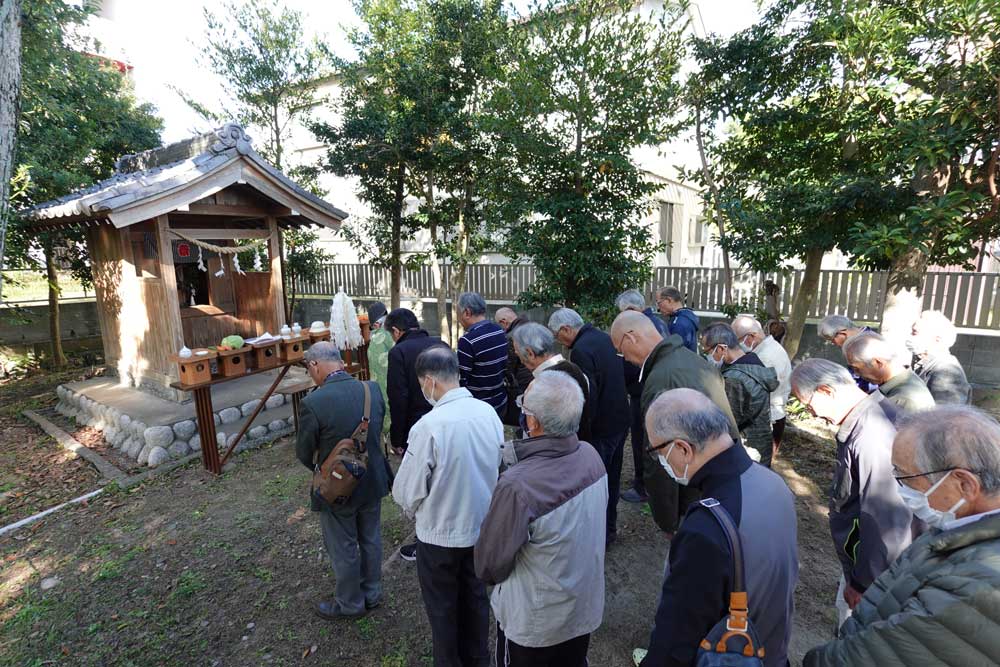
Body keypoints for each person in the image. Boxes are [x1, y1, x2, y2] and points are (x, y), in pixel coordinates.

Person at [804, 405, 1000, 666]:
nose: (901, 488)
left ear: (964, 484)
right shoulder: (955, 528)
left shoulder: (977, 586)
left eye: (905, 477)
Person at [637, 389, 798, 667]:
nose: (660, 462)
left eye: (657, 452)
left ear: (683, 448)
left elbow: (676, 639)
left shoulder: (707, 528)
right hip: (767, 651)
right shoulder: (773, 483)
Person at [475, 371, 608, 666]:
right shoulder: (591, 456)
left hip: (535, 623)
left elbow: (489, 565)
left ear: (532, 421)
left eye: (523, 407)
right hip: (581, 606)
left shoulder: (518, 485)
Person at [392, 346, 503, 667]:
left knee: (442, 608)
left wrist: (412, 507)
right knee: (476, 599)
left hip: (439, 535)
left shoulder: (429, 425)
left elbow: (407, 491)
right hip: (481, 528)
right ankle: (478, 657)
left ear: (429, 381)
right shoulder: (488, 413)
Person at [790, 359, 915, 630]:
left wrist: (862, 583)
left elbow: (886, 518)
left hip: (875, 577)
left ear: (826, 391)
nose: (811, 414)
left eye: (808, 404)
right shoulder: (873, 414)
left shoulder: (870, 437)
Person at [610, 310, 739, 535]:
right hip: (724, 483)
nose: (626, 360)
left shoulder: (661, 378)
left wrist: (667, 521)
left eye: (621, 352)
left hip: (693, 494)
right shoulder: (696, 361)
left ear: (631, 338)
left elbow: (660, 459)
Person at [295, 343, 389, 620]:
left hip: (338, 487)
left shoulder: (313, 403)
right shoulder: (371, 390)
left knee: (344, 545)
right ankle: (372, 593)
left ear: (314, 366)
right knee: (371, 538)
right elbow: (378, 430)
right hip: (372, 479)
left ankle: (350, 604)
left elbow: (304, 453)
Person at [549, 308, 629, 545]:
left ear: (566, 329)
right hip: (620, 418)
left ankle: (596, 537)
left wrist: (583, 434)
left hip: (602, 427)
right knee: (612, 478)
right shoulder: (603, 337)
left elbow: (588, 396)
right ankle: (609, 530)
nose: (558, 341)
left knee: (596, 483)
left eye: (558, 335)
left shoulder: (581, 350)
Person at [385, 307, 447, 561]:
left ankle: (427, 542)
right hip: (446, 419)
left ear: (397, 331)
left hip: (417, 426)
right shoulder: (440, 344)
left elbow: (398, 398)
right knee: (443, 479)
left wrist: (397, 439)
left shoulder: (398, 352)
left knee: (422, 485)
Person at [616, 288, 668, 503]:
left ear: (630, 309)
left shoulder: (641, 327)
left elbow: (636, 364)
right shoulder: (658, 323)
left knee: (642, 440)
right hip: (653, 390)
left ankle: (643, 486)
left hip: (643, 392)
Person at [701, 323, 779, 466]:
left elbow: (729, 420)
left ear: (721, 348)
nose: (708, 356)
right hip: (761, 440)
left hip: (747, 447)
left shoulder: (735, 379)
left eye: (707, 351)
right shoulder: (752, 361)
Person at [512, 322, 593, 443]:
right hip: (577, 445)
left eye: (517, 352)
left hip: (551, 453)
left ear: (530, 353)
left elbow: (532, 432)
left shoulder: (539, 386)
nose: (516, 355)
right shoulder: (578, 371)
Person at [731, 315, 792, 459]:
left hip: (768, 419)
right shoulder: (766, 348)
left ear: (752, 336)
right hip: (771, 415)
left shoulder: (766, 357)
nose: (737, 345)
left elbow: (755, 394)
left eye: (738, 340)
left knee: (759, 463)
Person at [842, 332, 935, 413]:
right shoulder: (902, 384)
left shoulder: (902, 399)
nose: (856, 374)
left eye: (857, 368)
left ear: (878, 363)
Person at [455, 292, 508, 417]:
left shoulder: (467, 341)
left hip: (479, 408)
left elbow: (462, 380)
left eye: (458, 314)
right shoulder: (499, 330)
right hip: (501, 402)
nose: (458, 319)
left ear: (467, 313)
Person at [910, 310, 972, 405]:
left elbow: (947, 415)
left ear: (937, 339)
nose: (909, 337)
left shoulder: (947, 371)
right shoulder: (924, 363)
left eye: (915, 333)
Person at [818, 314, 878, 393]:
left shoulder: (868, 343)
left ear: (843, 333)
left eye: (832, 340)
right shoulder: (854, 344)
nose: (833, 343)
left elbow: (874, 381)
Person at [494, 306, 533, 427]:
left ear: (503, 322)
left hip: (523, 383)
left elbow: (509, 367)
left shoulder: (512, 336)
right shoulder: (533, 326)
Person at [365, 302, 393, 438]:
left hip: (378, 382)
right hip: (388, 379)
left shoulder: (376, 337)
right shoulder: (388, 334)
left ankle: (388, 432)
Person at [655, 285, 699, 352]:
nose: (658, 308)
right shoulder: (684, 317)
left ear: (669, 300)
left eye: (659, 303)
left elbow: (675, 352)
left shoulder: (679, 323)